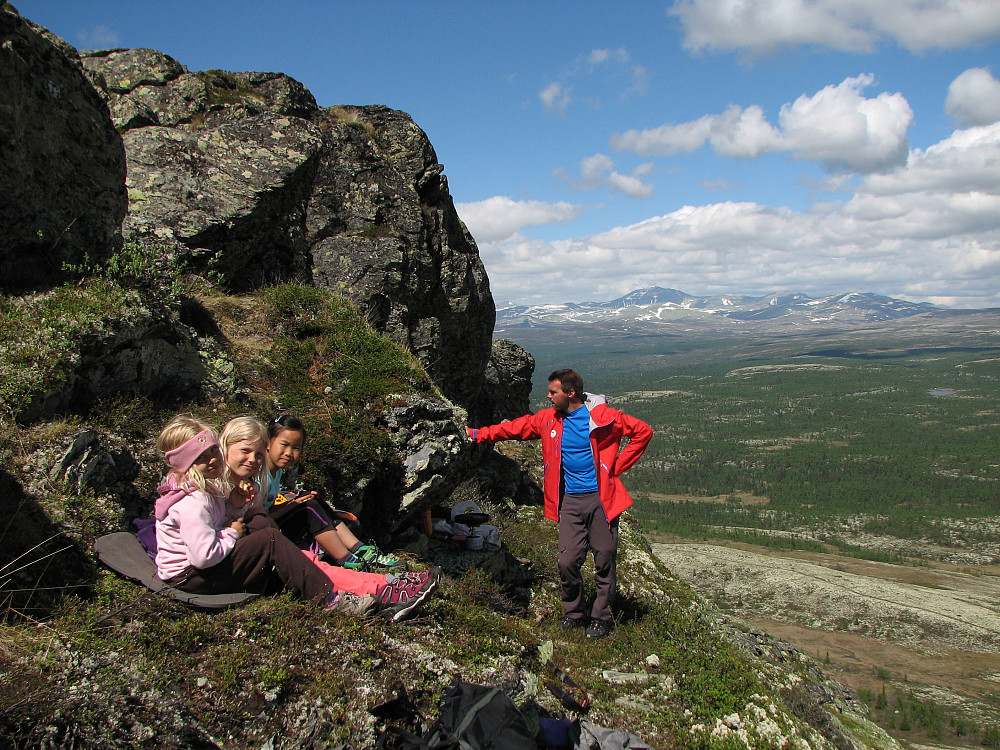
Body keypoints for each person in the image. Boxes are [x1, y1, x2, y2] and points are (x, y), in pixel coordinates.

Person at [466, 369, 652, 639]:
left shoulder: (603, 417)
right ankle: (574, 614)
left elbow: (643, 432)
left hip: (602, 501)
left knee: (604, 561)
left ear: (571, 393)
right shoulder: (548, 420)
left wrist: (615, 467)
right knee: (567, 562)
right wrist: (477, 434)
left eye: (553, 392)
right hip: (571, 502)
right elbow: (513, 429)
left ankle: (601, 618)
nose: (548, 396)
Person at [220, 416, 439, 622]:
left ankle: (379, 576)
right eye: (247, 452)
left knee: (310, 511)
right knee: (306, 517)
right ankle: (365, 575)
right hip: (254, 552)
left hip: (259, 546)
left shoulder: (256, 480)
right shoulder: (244, 482)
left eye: (258, 455)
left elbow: (255, 514)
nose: (254, 460)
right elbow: (216, 541)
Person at [152, 415, 371, 616]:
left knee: (264, 527)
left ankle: (292, 576)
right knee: (270, 540)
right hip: (190, 578)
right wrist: (231, 533)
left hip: (196, 573)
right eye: (200, 456)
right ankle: (330, 600)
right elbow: (204, 557)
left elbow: (215, 523)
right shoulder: (194, 502)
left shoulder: (204, 490)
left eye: (212, 451)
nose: (212, 459)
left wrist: (236, 508)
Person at [265, 415, 402, 571]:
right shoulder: (260, 474)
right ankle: (349, 560)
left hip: (271, 526)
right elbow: (258, 520)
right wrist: (294, 505)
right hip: (261, 535)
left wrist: (294, 503)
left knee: (314, 502)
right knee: (309, 507)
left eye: (296, 447)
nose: (289, 452)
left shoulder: (275, 472)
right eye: (284, 444)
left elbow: (268, 509)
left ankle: (361, 550)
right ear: (267, 442)